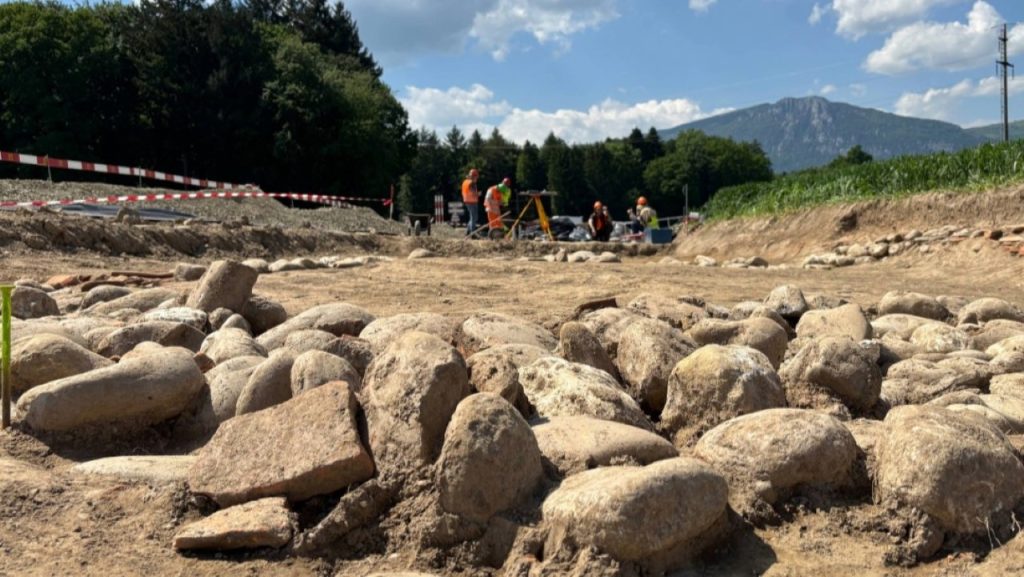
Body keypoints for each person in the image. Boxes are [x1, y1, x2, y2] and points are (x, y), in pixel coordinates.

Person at [461, 169, 480, 237]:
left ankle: (468, 231)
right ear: (474, 176)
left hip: (467, 201)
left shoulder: (465, 181)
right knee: (474, 217)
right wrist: (478, 194)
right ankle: (473, 234)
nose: (477, 178)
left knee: (472, 217)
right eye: (476, 177)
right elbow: (473, 192)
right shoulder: (472, 183)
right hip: (472, 201)